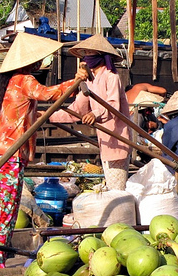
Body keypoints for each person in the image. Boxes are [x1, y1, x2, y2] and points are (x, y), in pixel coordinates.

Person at [0, 33, 84, 269]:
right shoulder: (24, 80)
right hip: (10, 155)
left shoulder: (5, 84)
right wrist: (76, 81)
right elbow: (48, 95)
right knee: (6, 208)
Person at [50, 34, 131, 190]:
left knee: (117, 188)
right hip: (104, 139)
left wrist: (95, 114)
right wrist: (49, 116)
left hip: (117, 137)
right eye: (84, 54)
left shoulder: (111, 76)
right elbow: (77, 109)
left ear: (100, 56)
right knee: (111, 183)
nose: (86, 58)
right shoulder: (90, 81)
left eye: (89, 54)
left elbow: (114, 104)